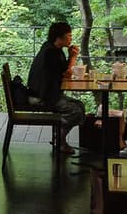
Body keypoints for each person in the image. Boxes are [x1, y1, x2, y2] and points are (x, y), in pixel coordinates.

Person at [26, 21, 84, 151]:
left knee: (80, 105)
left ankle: (60, 138)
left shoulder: (53, 48)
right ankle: (60, 139)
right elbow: (67, 73)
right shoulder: (51, 53)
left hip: (46, 93)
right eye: (68, 35)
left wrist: (70, 57)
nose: (71, 38)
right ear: (59, 37)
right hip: (41, 97)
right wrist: (73, 57)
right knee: (76, 111)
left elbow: (63, 71)